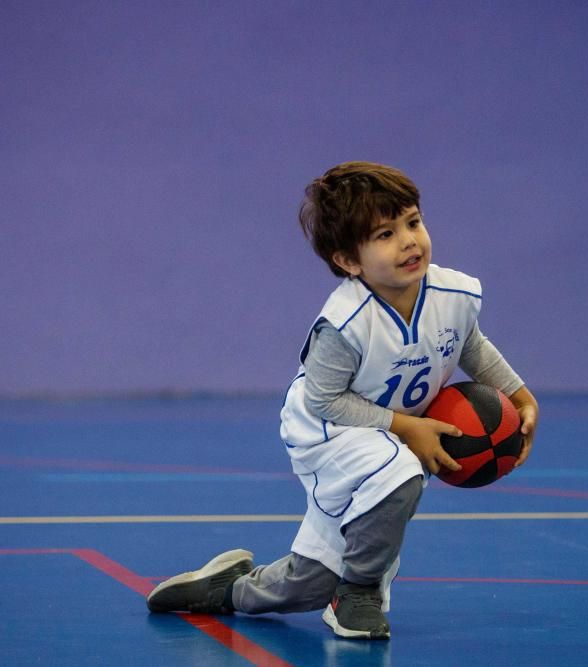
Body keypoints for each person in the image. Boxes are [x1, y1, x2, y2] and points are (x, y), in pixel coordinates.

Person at [146, 161, 539, 640]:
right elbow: (326, 400)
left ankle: (225, 589)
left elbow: (470, 344)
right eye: (385, 234)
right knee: (399, 473)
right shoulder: (345, 322)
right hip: (326, 430)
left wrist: (517, 395)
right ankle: (357, 596)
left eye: (412, 222)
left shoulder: (451, 293)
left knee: (307, 585)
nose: (409, 241)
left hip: (383, 432)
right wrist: (406, 427)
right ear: (349, 261)